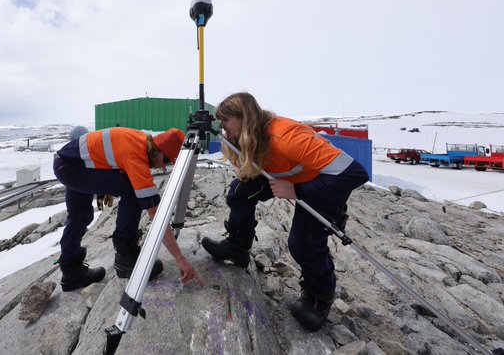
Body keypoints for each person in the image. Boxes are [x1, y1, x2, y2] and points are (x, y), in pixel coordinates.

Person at [201, 92, 369, 331]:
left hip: (323, 184)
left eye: (225, 120)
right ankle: (238, 247)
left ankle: (318, 297)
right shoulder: (248, 136)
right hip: (290, 179)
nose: (222, 127)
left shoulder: (288, 137)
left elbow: (355, 174)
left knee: (303, 243)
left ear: (243, 118)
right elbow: (265, 163)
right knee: (240, 191)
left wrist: (298, 190)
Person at [53, 126, 204, 292]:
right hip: (71, 166)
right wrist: (179, 258)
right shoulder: (136, 154)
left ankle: (71, 271)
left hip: (68, 163)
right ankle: (126, 256)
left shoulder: (141, 141)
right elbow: (154, 212)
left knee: (79, 215)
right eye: (166, 161)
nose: (162, 167)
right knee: (132, 188)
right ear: (158, 149)